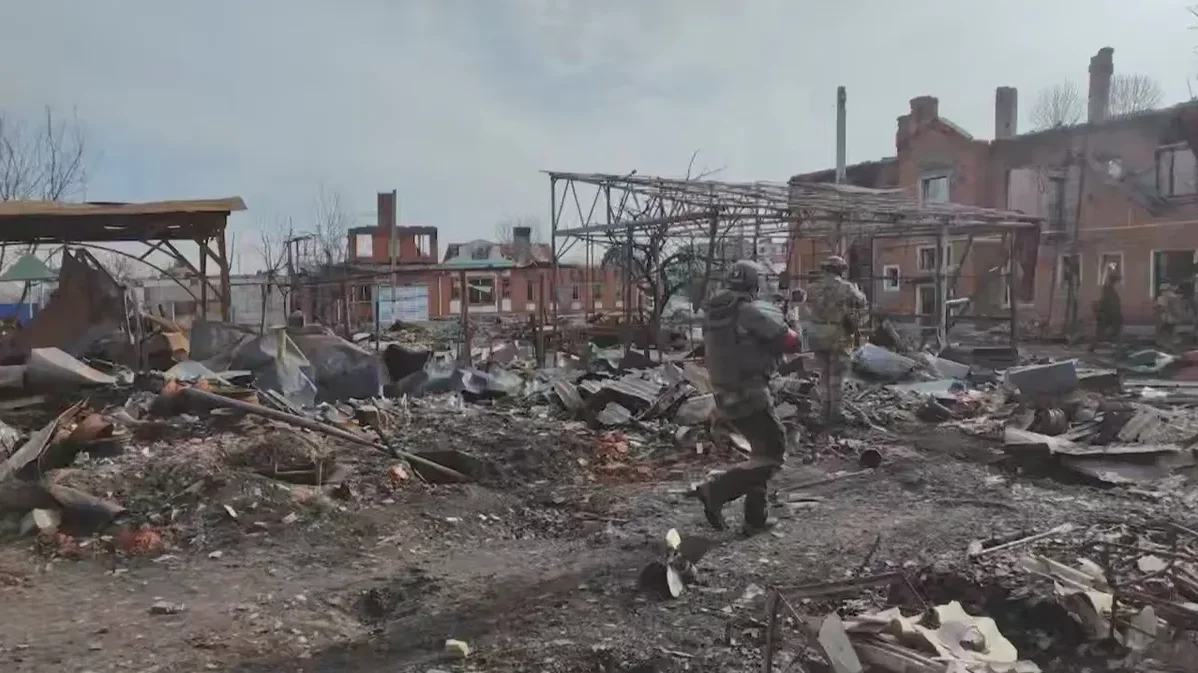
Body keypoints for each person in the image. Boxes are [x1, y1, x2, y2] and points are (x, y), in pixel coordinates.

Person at [693, 260, 803, 534]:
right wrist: (791, 318)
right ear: (755, 284)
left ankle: (755, 519)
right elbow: (792, 342)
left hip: (725, 392)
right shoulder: (749, 312)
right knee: (773, 454)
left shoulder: (714, 313)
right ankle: (714, 492)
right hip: (750, 393)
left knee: (761, 453)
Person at [803, 255, 868, 425]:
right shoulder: (846, 287)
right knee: (836, 376)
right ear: (841, 270)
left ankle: (824, 410)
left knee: (824, 374)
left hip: (817, 335)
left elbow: (807, 308)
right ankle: (836, 413)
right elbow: (861, 302)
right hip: (837, 335)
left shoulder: (812, 288)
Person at [1089, 264, 1123, 355]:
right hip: (1108, 315)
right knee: (1103, 332)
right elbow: (1106, 301)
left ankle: (1118, 349)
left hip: (1111, 315)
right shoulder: (1108, 289)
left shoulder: (1109, 289)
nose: (1116, 282)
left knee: (1112, 331)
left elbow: (1107, 301)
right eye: (1115, 280)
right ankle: (1118, 349)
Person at [1156, 284, 1182, 350]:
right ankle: (1169, 343)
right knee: (1168, 330)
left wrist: (1168, 316)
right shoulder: (1174, 297)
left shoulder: (1163, 297)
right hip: (1171, 317)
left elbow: (1165, 308)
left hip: (1167, 318)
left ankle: (1166, 344)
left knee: (1165, 331)